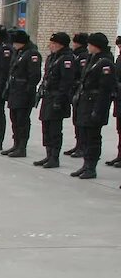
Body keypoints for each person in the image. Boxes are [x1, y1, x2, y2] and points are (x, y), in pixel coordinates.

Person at [71, 33, 117, 180]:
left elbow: (105, 89)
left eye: (90, 44)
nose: (88, 47)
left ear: (96, 46)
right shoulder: (92, 59)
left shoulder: (106, 63)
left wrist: (98, 110)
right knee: (84, 135)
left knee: (93, 137)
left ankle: (91, 167)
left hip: (95, 103)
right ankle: (85, 164)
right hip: (86, 102)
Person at [33, 32, 77, 169]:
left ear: (59, 44)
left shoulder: (66, 59)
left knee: (54, 129)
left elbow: (66, 82)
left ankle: (54, 157)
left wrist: (59, 99)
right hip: (48, 96)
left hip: (57, 97)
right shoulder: (53, 57)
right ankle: (48, 154)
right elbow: (47, 76)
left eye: (52, 43)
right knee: (46, 126)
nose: (50, 45)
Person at [2, 29, 40, 159]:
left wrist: (28, 90)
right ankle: (16, 144)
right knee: (14, 119)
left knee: (22, 120)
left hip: (23, 91)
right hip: (14, 90)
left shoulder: (32, 54)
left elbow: (34, 75)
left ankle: (22, 146)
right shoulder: (19, 52)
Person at [67, 33, 92, 158]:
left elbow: (81, 74)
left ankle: (82, 146)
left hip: (80, 90)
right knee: (76, 120)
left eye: (75, 42)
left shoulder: (83, 56)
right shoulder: (75, 54)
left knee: (80, 120)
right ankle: (78, 144)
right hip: (74, 91)